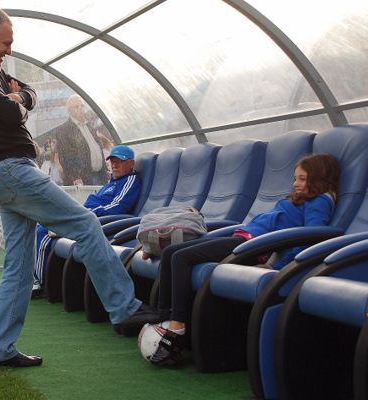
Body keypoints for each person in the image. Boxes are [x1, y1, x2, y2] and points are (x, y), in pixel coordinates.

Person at [0, 7, 160, 369]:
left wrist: (18, 98)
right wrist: (15, 104)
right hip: (10, 170)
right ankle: (124, 309)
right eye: (5, 43)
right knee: (86, 224)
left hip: (8, 173)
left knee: (18, 266)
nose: (9, 51)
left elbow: (28, 95)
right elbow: (11, 114)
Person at [140, 154, 340, 366]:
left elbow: (311, 236)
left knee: (181, 258)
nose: (295, 184)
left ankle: (177, 324)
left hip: (252, 246)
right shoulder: (303, 199)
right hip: (243, 238)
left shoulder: (320, 201)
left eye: (302, 179)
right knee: (171, 252)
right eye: (295, 178)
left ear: (317, 179)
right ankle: (162, 315)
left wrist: (277, 266)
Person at [32, 144, 141, 297]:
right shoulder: (112, 182)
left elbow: (118, 207)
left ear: (131, 163)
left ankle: (39, 283)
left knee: (43, 231)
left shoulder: (129, 181)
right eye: (112, 161)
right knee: (41, 226)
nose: (115, 165)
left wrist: (88, 213)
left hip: (95, 222)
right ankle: (38, 280)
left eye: (120, 161)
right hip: (87, 217)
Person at [53, 95, 107, 186]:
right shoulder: (64, 130)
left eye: (82, 106)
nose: (80, 109)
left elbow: (98, 149)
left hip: (101, 176)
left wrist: (105, 170)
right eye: (76, 107)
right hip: (83, 179)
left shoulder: (90, 126)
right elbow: (66, 158)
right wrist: (75, 177)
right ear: (69, 111)